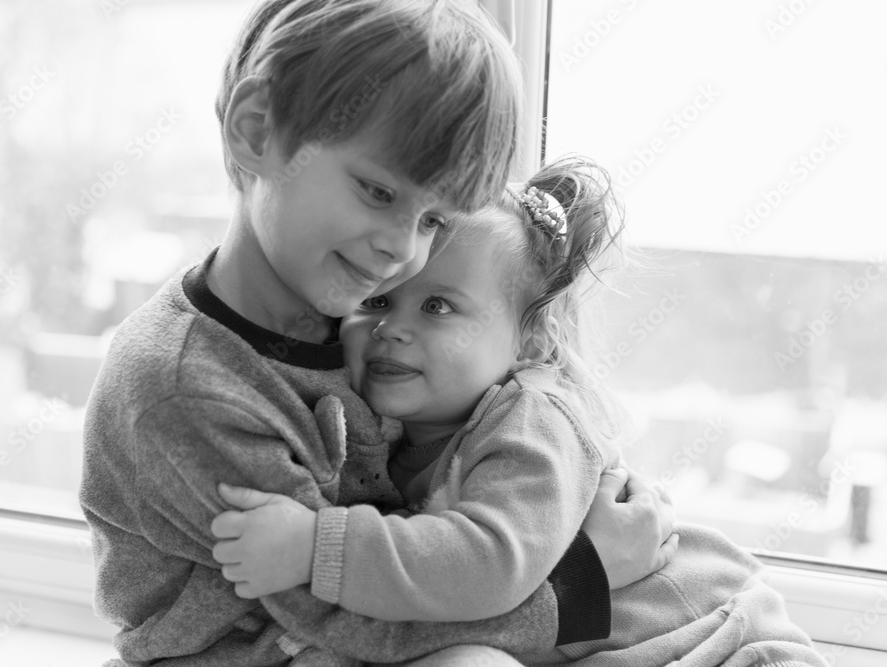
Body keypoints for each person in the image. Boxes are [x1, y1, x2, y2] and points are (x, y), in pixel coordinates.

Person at [79, 1, 676, 665]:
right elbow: (344, 615)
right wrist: (582, 582)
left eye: (432, 221)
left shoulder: (352, 311)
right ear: (256, 131)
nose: (402, 249)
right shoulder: (188, 390)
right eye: (379, 192)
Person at [212, 156, 830, 667]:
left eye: (438, 307)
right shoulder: (387, 436)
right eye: (377, 300)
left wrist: (315, 548)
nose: (391, 329)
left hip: (722, 643)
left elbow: (487, 564)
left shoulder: (532, 417)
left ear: (528, 342)